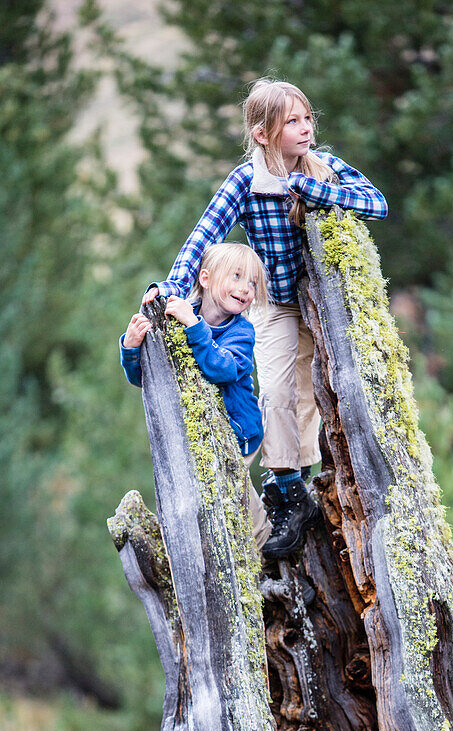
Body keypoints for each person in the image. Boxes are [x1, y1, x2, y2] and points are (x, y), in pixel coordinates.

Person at [142, 77, 388, 558]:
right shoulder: (245, 180)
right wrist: (172, 288)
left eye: (307, 118)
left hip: (325, 305)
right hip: (273, 303)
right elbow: (203, 236)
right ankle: (288, 493)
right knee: (275, 390)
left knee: (314, 393)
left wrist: (313, 189)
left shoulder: (323, 167)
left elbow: (376, 203)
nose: (304, 129)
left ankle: (307, 482)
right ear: (261, 134)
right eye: (291, 122)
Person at [121, 242, 272, 550]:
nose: (245, 289)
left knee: (234, 493)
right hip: (198, 436)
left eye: (253, 283)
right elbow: (147, 380)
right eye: (237, 277)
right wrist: (131, 347)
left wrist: (194, 324)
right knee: (207, 500)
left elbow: (222, 369)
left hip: (238, 434)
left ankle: (265, 543)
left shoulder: (241, 332)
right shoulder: (177, 315)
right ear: (205, 278)